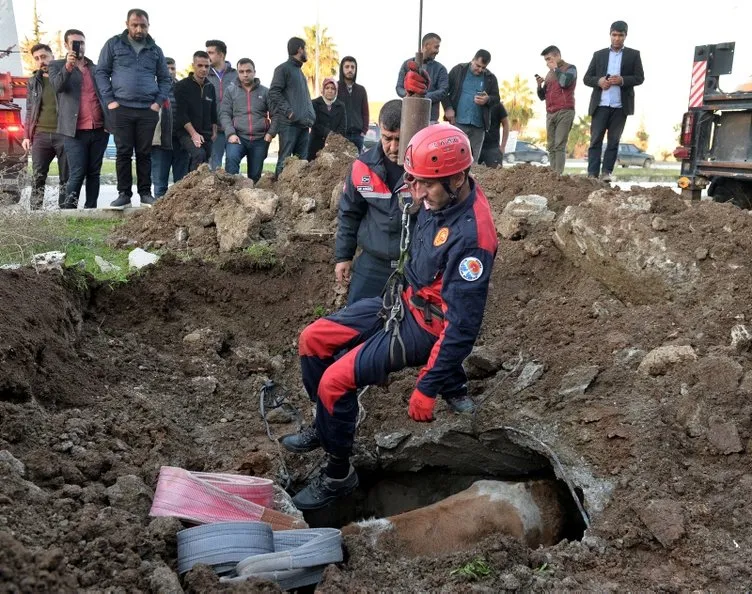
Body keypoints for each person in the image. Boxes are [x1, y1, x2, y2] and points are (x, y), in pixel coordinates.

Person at [289, 124, 498, 510]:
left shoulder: (473, 239)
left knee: (335, 382)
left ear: (457, 177)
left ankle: (337, 474)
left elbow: (462, 327)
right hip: (402, 300)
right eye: (413, 182)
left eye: (425, 185)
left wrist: (428, 385)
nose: (415, 193)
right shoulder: (443, 196)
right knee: (312, 340)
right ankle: (327, 426)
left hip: (424, 326)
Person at [96, 8, 171, 208]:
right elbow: (101, 72)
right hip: (121, 108)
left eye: (143, 25)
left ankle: (145, 194)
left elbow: (165, 79)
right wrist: (110, 101)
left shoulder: (155, 50)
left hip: (148, 110)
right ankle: (124, 195)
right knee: (123, 152)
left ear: (148, 26)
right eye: (135, 25)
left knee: (145, 153)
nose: (139, 29)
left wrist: (157, 103)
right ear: (127, 24)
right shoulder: (113, 44)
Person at [49, 30, 109, 210]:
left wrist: (109, 124)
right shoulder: (56, 65)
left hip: (99, 130)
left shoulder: (95, 68)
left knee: (94, 173)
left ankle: (91, 209)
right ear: (66, 45)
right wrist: (68, 66)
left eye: (82, 43)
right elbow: (57, 87)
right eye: (75, 43)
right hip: (73, 132)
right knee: (76, 173)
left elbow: (105, 95)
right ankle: (69, 211)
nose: (79, 46)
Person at [583, 20, 644, 181]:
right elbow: (586, 78)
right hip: (600, 105)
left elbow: (639, 78)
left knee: (614, 141)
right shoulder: (599, 55)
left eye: (620, 35)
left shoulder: (633, 54)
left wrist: (622, 80)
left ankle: (606, 173)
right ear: (610, 35)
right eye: (614, 35)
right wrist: (599, 81)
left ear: (626, 36)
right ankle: (592, 174)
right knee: (595, 140)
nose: (617, 38)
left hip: (620, 106)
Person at [23, 43, 69, 209]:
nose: (41, 61)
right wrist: (27, 135)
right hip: (40, 135)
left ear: (52, 56)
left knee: (66, 176)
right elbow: (30, 109)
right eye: (37, 58)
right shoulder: (33, 82)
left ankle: (65, 212)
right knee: (38, 176)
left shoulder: (65, 76)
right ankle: (35, 211)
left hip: (64, 134)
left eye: (44, 57)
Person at [220, 58, 274, 183]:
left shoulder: (265, 92)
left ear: (254, 72)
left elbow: (275, 115)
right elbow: (224, 114)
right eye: (241, 71)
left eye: (248, 71)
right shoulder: (231, 91)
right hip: (238, 137)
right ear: (238, 73)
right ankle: (231, 196)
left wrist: (270, 133)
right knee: (231, 166)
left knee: (255, 177)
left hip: (260, 139)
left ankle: (251, 199)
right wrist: (231, 133)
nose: (245, 74)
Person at [269, 37, 315, 178]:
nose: (306, 52)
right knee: (284, 160)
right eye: (305, 49)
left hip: (303, 125)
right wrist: (289, 112)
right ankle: (279, 191)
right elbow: (274, 92)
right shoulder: (283, 69)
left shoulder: (300, 72)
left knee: (301, 163)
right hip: (289, 125)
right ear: (300, 49)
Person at [442, 49, 500, 161]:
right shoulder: (458, 70)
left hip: (478, 127)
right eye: (478, 66)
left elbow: (496, 98)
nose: (480, 70)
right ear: (473, 59)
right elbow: (444, 91)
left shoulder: (490, 78)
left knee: (472, 162)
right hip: (458, 122)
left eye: (483, 67)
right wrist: (448, 108)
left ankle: (470, 179)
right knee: (453, 158)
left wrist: (487, 99)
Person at [535, 46, 577, 174]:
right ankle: (553, 174)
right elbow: (543, 97)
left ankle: (558, 174)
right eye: (546, 60)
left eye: (549, 58)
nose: (548, 62)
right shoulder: (549, 74)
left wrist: (555, 68)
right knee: (551, 146)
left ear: (557, 56)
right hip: (550, 113)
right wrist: (539, 85)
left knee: (559, 145)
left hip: (565, 111)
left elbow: (565, 83)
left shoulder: (570, 68)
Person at [151, 57, 189, 198]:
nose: (170, 71)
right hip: (160, 140)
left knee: (182, 184)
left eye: (173, 68)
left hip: (181, 140)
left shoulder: (183, 88)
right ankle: (157, 216)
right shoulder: (152, 89)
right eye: (167, 68)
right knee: (160, 183)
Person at [174, 51, 217, 171]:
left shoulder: (210, 87)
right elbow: (181, 114)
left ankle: (200, 188)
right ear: (193, 65)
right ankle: (192, 188)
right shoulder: (182, 86)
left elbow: (213, 111)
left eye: (207, 66)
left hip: (206, 132)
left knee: (205, 160)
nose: (204, 69)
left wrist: (214, 131)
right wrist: (194, 134)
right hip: (186, 132)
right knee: (199, 155)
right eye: (200, 65)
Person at [396, 33, 449, 123]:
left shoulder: (441, 69)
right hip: (408, 116)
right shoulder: (407, 64)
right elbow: (399, 87)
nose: (438, 51)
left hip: (430, 119)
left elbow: (444, 91)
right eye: (436, 47)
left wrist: (423, 97)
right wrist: (409, 95)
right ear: (426, 45)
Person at [206, 39, 238, 170]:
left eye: (211, 52)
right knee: (214, 167)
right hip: (213, 130)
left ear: (221, 55)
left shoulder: (236, 75)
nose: (207, 56)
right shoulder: (205, 75)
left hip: (232, 129)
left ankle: (234, 191)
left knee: (232, 164)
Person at [307, 77, 346, 161]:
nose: (330, 90)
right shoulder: (314, 103)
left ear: (336, 91)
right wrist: (329, 134)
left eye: (333, 88)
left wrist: (334, 139)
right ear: (323, 90)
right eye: (327, 88)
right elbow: (314, 123)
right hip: (315, 144)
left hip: (334, 146)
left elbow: (343, 127)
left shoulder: (341, 106)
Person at [336, 56, 369, 153]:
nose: (350, 70)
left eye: (352, 67)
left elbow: (365, 112)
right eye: (346, 67)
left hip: (358, 136)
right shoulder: (335, 87)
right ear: (342, 69)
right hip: (341, 136)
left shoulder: (361, 90)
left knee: (356, 165)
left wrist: (364, 131)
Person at [478, 101, 510, 168]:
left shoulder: (497, 104)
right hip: (475, 148)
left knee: (495, 176)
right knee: (472, 176)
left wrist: (503, 146)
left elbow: (506, 124)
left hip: (493, 149)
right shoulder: (472, 103)